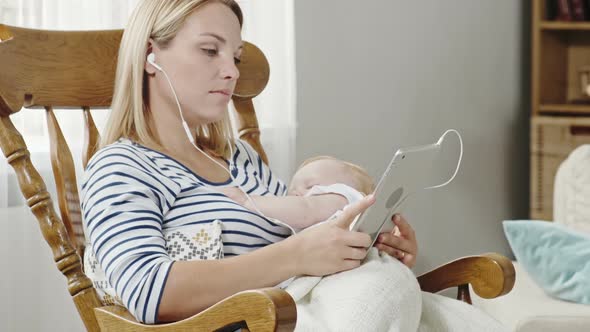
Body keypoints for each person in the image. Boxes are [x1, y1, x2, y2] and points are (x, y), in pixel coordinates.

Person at [80, 0, 418, 325]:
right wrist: (296, 255)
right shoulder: (121, 167)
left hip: (299, 312)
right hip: (256, 323)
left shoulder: (241, 160)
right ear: (150, 56)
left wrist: (361, 246)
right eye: (210, 51)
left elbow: (303, 241)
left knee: (398, 290)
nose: (230, 72)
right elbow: (148, 290)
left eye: (236, 58)